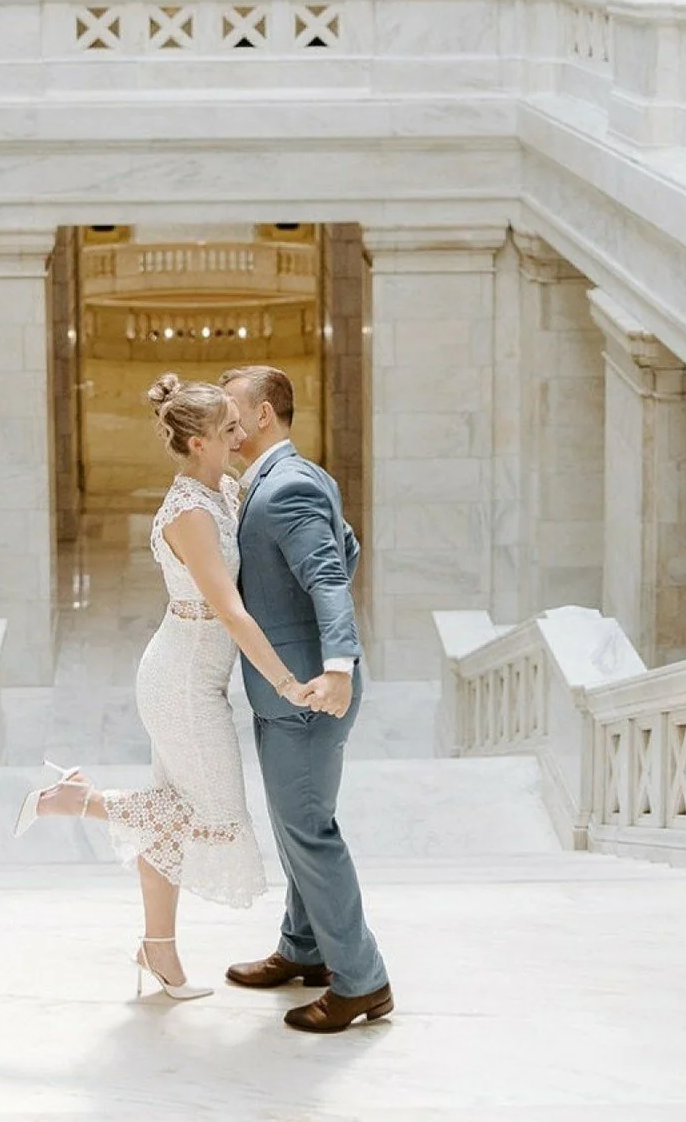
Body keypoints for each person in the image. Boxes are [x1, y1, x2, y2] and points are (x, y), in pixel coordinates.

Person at [12, 375, 315, 1000]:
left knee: (169, 820)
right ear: (199, 443)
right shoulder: (190, 514)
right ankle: (73, 800)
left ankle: (159, 951)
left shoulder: (222, 490)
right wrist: (285, 681)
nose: (241, 434)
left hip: (191, 675)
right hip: (182, 682)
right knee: (215, 817)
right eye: (229, 428)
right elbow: (231, 610)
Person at [218, 364, 393, 1033]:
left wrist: (337, 666)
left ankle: (363, 982)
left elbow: (328, 576)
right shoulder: (295, 476)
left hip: (310, 693)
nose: (226, 421)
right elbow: (347, 550)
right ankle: (304, 947)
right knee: (294, 825)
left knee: (310, 832)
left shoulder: (287, 484)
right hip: (287, 689)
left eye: (232, 408)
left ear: (263, 414)